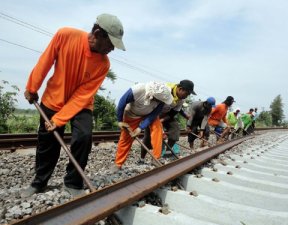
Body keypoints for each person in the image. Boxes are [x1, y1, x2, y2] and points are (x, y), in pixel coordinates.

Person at [22, 14, 126, 197]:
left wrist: (60, 119)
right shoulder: (65, 35)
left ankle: (73, 182)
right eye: (110, 44)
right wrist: (32, 87)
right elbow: (45, 61)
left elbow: (84, 94)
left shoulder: (103, 64)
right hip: (54, 97)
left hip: (82, 103)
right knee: (48, 142)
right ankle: (39, 182)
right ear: (97, 33)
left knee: (84, 137)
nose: (112, 49)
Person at [114, 81, 173, 168]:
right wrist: (120, 121)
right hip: (132, 114)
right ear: (153, 95)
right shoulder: (137, 90)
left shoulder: (162, 98)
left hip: (150, 115)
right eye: (158, 100)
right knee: (126, 138)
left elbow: (154, 114)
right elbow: (122, 103)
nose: (159, 102)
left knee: (157, 129)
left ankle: (156, 159)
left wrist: (140, 128)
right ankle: (118, 164)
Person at [141, 79, 196, 159]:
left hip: (167, 115)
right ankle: (142, 158)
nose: (186, 96)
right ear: (180, 89)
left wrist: (162, 120)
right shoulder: (165, 90)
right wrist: (159, 125)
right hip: (153, 113)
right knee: (148, 137)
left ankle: (167, 154)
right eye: (187, 94)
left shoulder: (181, 100)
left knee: (175, 130)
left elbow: (173, 113)